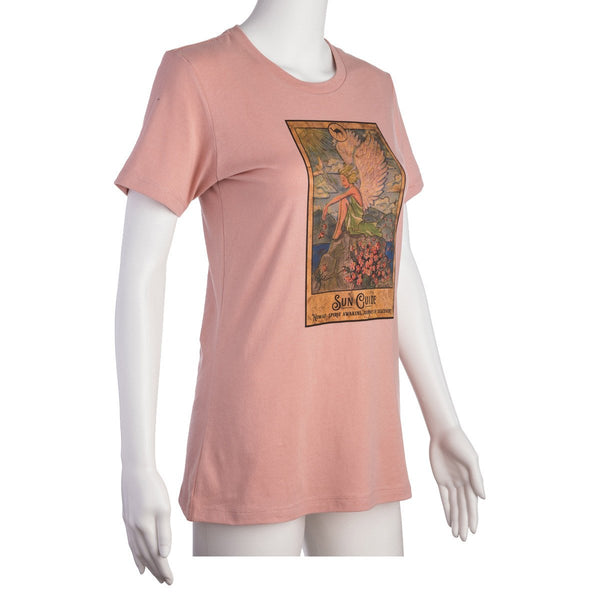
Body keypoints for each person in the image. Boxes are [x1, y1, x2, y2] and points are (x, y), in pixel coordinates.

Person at [114, 0, 485, 582]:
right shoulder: (198, 75)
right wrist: (137, 463)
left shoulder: (376, 88)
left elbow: (398, 263)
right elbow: (141, 273)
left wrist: (443, 422)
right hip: (255, 434)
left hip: (363, 436)